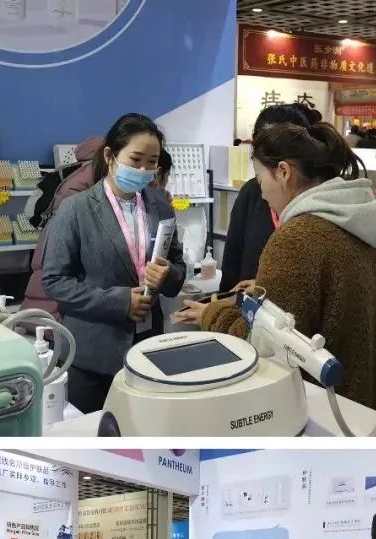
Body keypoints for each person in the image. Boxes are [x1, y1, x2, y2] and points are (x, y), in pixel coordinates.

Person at [232, 119, 376, 422]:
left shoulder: (297, 237)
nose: (261, 193)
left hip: (328, 414)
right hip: (374, 406)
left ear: (283, 172)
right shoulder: (364, 220)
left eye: (260, 179)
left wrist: (214, 314)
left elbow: (265, 344)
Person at [43, 113, 187, 413]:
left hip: (147, 349)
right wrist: (120, 301)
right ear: (110, 156)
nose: (143, 170)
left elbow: (177, 265)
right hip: (93, 355)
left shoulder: (160, 204)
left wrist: (168, 276)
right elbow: (55, 281)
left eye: (152, 162)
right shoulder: (75, 209)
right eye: (135, 160)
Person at [218, 103, 317, 292]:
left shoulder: (320, 211)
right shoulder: (252, 193)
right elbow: (232, 268)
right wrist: (221, 305)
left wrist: (266, 289)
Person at [21, 135, 105, 319]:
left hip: (48, 240)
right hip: (72, 249)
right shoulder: (95, 175)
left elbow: (32, 211)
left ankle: (37, 324)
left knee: (43, 291)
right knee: (59, 302)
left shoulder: (68, 172)